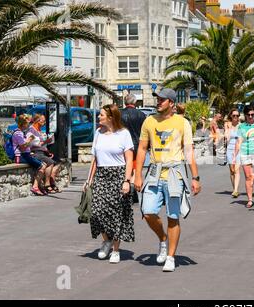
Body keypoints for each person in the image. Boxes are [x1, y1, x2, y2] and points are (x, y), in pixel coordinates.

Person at [134, 88, 201, 272]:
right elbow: (141, 149)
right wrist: (138, 174)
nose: (158, 102)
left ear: (171, 103)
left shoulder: (182, 123)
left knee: (173, 216)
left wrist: (195, 177)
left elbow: (188, 151)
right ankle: (163, 239)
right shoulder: (149, 121)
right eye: (158, 99)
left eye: (162, 100)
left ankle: (170, 256)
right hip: (154, 172)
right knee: (147, 212)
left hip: (174, 174)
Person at [85, 104, 135, 264]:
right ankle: (106, 240)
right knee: (96, 212)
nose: (98, 117)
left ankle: (115, 250)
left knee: (116, 214)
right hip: (101, 175)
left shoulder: (124, 134)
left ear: (111, 117)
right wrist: (89, 179)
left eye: (101, 115)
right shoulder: (98, 133)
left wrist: (127, 180)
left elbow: (129, 160)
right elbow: (94, 159)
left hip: (118, 175)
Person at [233, 104, 254, 209]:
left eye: (252, 114)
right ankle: (249, 199)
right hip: (245, 154)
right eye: (248, 115)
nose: (250, 116)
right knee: (248, 177)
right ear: (245, 115)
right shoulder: (241, 126)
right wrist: (235, 156)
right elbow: (238, 142)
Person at [12, 114, 47, 196]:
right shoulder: (18, 133)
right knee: (42, 166)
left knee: (43, 164)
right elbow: (23, 147)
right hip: (21, 156)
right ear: (23, 124)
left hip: (26, 154)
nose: (28, 125)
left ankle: (39, 186)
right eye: (27, 123)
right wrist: (30, 140)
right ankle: (35, 187)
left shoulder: (20, 132)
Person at [120, 94, 146, 202]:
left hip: (122, 145)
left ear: (125, 102)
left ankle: (127, 189)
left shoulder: (119, 114)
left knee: (126, 167)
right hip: (137, 145)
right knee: (136, 168)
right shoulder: (141, 114)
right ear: (135, 102)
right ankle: (134, 190)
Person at [29, 114, 61, 194]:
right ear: (37, 120)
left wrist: (47, 151)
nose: (44, 122)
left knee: (57, 162)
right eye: (42, 120)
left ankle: (51, 182)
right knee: (50, 162)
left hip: (42, 151)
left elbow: (41, 145)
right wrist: (46, 141)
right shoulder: (31, 130)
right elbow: (33, 144)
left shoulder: (39, 130)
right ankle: (47, 185)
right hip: (35, 152)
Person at [224, 108, 241, 198]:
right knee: (232, 170)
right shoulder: (227, 124)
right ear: (231, 115)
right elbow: (226, 136)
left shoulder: (241, 125)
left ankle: (235, 190)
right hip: (229, 148)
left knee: (237, 169)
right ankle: (234, 187)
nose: (235, 117)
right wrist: (229, 129)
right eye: (234, 115)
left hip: (238, 148)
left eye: (237, 116)